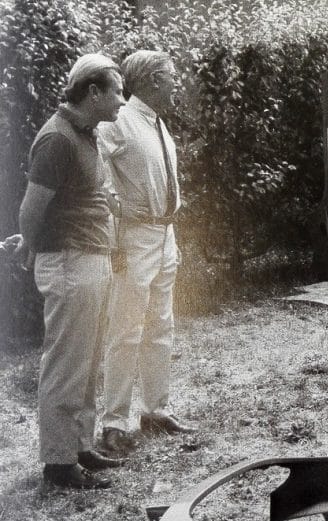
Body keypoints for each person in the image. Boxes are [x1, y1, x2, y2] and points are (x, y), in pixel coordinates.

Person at [9, 54, 128, 489]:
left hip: (90, 260)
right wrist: (32, 246)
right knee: (66, 363)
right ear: (92, 92)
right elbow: (31, 209)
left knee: (88, 359)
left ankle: (79, 447)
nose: (122, 100)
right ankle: (58, 464)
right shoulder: (57, 139)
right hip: (70, 263)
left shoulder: (86, 134)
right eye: (116, 91)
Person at [97, 50, 193, 455]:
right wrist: (117, 212)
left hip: (163, 235)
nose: (177, 83)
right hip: (134, 239)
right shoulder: (118, 120)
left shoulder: (157, 123)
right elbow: (96, 173)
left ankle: (155, 410)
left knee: (161, 326)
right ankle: (114, 423)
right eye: (172, 77)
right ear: (153, 80)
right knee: (125, 331)